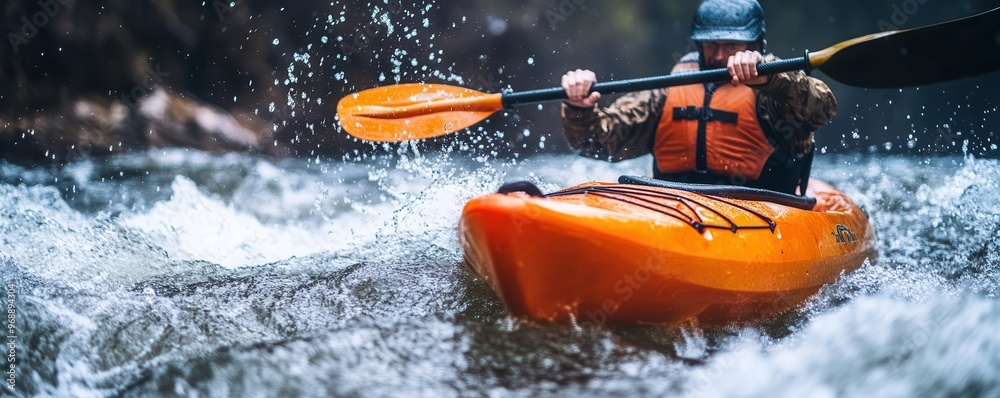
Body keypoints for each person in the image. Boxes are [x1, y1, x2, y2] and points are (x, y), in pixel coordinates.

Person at [560, 0, 836, 195]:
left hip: (763, 208)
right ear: (698, 43)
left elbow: (823, 108)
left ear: (756, 44)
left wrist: (770, 79)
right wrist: (578, 108)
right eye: (711, 44)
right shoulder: (670, 88)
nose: (718, 55)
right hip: (676, 205)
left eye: (731, 45)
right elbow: (599, 142)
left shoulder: (775, 89)